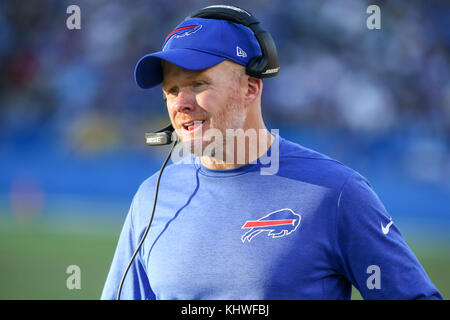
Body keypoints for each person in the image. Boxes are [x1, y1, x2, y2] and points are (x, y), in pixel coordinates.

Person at [101, 5, 442, 300]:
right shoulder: (150, 199)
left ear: (250, 87)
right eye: (172, 89)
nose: (181, 104)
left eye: (198, 84)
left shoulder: (336, 193)